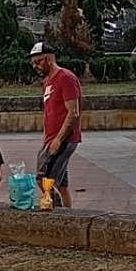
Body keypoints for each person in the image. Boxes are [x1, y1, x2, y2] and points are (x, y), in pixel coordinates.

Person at [29, 41, 82, 208]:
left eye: (38, 61)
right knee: (62, 185)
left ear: (48, 59)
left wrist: (58, 139)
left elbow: (73, 112)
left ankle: (55, 211)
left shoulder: (65, 78)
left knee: (44, 180)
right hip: (51, 138)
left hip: (63, 139)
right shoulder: (47, 81)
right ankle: (67, 213)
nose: (35, 66)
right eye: (33, 63)